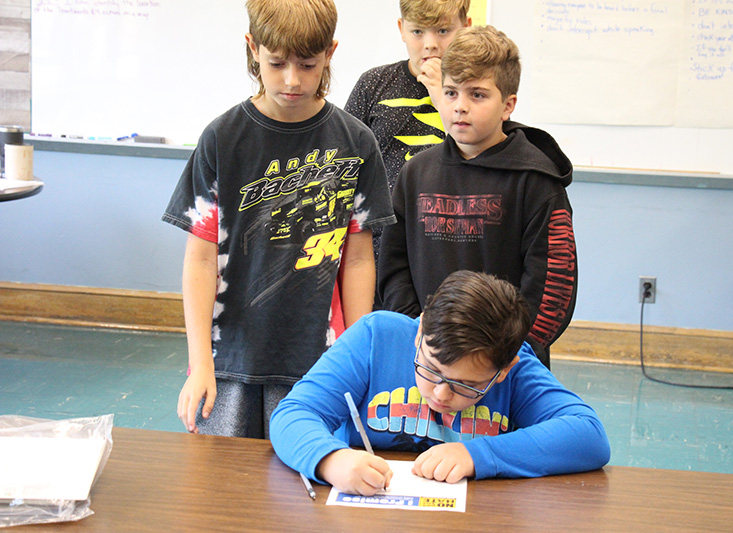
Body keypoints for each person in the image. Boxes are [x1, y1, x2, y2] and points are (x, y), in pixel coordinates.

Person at [161, 0, 395, 439]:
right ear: (253, 48)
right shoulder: (222, 138)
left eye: (308, 64)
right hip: (230, 357)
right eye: (276, 62)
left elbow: (360, 259)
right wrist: (201, 363)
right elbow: (200, 259)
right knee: (225, 486)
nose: (292, 79)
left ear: (330, 52)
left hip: (319, 358)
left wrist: (356, 358)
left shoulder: (356, 141)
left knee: (307, 485)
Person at [270, 271, 609, 496]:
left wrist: (478, 454)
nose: (440, 393)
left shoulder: (515, 368)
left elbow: (588, 436)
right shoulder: (376, 337)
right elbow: (294, 414)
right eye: (430, 369)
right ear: (420, 334)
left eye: (466, 385)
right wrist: (331, 460)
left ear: (503, 370)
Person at [378, 25, 577, 369]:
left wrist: (506, 356)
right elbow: (394, 268)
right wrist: (420, 335)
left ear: (508, 105)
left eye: (478, 95)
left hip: (506, 366)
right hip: (427, 358)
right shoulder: (415, 174)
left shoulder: (537, 183)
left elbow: (552, 289)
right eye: (451, 92)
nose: (460, 107)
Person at [344, 0, 472, 273]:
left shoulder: (476, 92)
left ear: (466, 28)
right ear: (401, 29)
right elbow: (345, 162)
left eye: (443, 31)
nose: (430, 44)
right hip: (378, 245)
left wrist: (443, 96)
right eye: (418, 32)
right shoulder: (374, 84)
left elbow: (476, 157)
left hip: (447, 243)